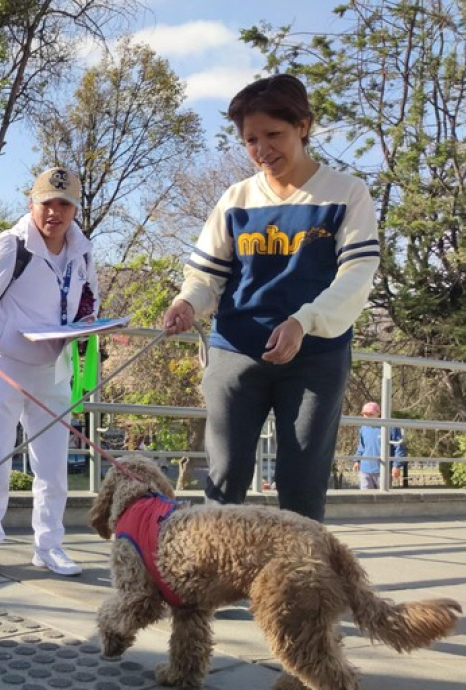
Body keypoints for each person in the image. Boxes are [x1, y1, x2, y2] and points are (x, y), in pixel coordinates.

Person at [162, 74, 380, 522]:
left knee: (302, 482)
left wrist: (304, 321)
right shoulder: (235, 199)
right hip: (236, 353)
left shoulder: (347, 194)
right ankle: (217, 582)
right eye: (250, 140)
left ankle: (296, 588)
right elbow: (207, 275)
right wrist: (188, 302)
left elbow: (357, 275)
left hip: (315, 356)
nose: (262, 149)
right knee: (224, 479)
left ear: (303, 125)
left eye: (273, 135)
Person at [0, 167, 99, 577]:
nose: (54, 212)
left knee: (53, 467)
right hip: (3, 365)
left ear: (74, 209)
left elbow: (89, 299)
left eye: (64, 204)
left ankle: (49, 545)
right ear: (31, 203)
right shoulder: (9, 246)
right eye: (47, 203)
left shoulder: (83, 250)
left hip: (54, 367)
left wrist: (92, 321)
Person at [353, 401, 384, 490]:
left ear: (378, 413)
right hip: (365, 468)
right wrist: (357, 460)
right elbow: (362, 446)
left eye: (370, 414)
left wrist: (396, 466)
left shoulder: (388, 428)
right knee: (365, 497)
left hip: (382, 469)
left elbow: (398, 448)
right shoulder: (363, 428)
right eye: (365, 414)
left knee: (384, 498)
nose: (367, 416)